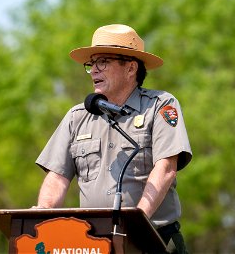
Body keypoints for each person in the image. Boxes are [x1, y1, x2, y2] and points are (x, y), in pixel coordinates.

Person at [34, 24, 192, 253]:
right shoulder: (77, 117)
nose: (94, 70)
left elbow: (166, 168)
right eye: (92, 64)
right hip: (91, 244)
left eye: (103, 62)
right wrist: (41, 216)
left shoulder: (160, 107)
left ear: (130, 68)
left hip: (152, 240)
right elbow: (57, 177)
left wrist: (138, 223)